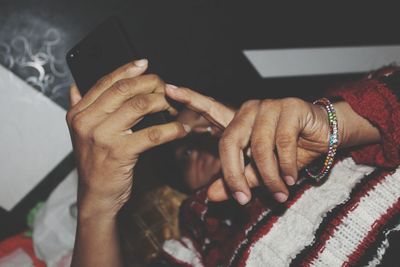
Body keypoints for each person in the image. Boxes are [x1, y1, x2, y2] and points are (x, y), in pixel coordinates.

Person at [66, 59, 400, 266]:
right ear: (186, 188)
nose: (205, 136)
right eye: (185, 152)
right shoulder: (201, 243)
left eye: (205, 120)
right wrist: (96, 206)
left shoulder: (338, 109)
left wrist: (338, 125)